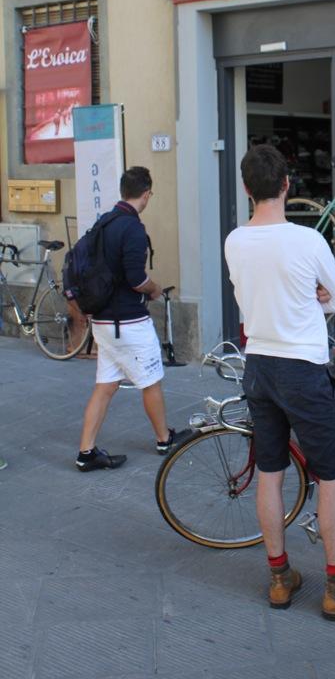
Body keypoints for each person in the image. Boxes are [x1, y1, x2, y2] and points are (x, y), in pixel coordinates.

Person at [224, 145, 335, 621]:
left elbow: (250, 298)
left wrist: (304, 297)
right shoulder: (307, 241)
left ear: (246, 189)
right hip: (302, 367)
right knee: (332, 477)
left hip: (258, 364)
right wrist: (314, 298)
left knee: (269, 472)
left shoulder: (235, 240)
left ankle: (280, 577)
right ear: (287, 186)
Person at [75, 166, 188, 472]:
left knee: (106, 385)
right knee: (150, 380)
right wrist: (153, 290)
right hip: (129, 322)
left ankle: (86, 452)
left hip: (102, 322)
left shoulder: (104, 222)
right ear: (146, 193)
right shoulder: (133, 228)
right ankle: (165, 438)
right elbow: (136, 278)